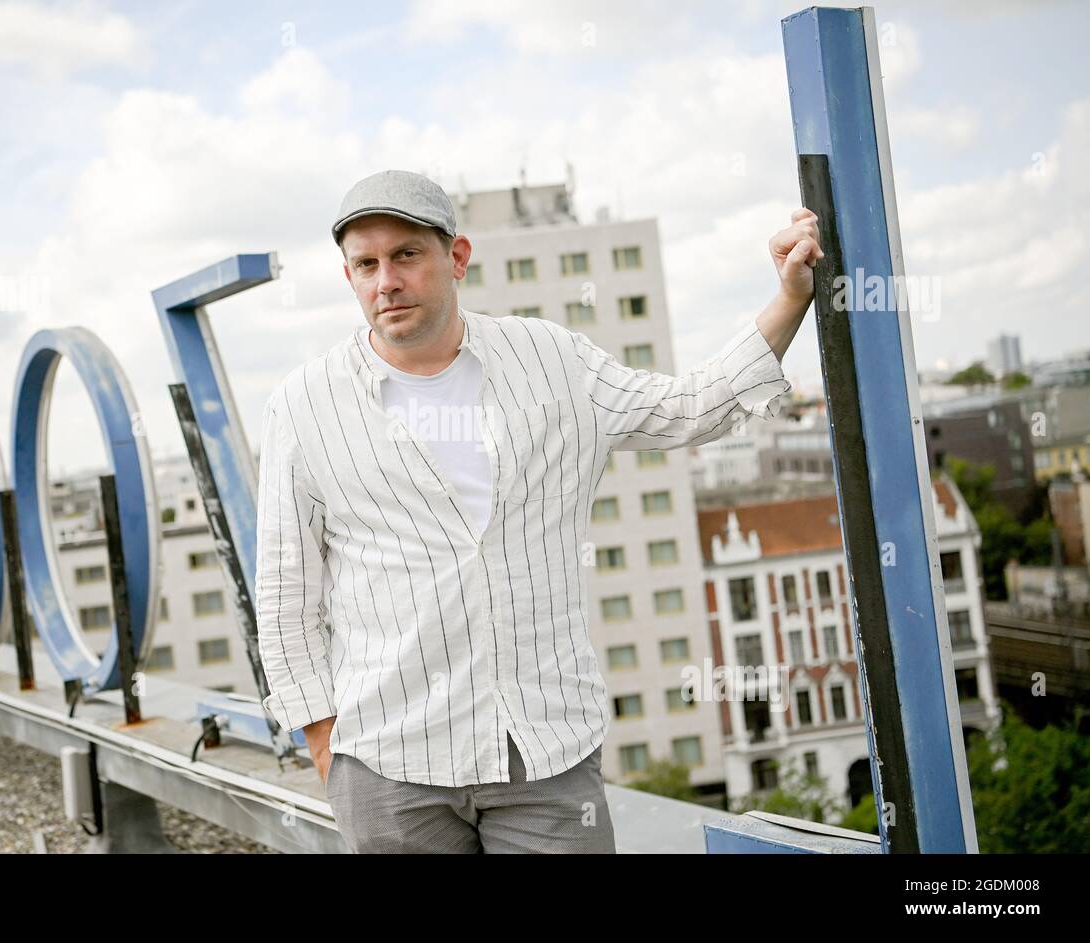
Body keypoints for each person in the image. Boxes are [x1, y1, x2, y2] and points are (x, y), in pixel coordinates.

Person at [255, 169, 822, 853]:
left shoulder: (552, 359)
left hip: (545, 753)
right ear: (349, 276)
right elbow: (286, 591)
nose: (386, 281)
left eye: (406, 255)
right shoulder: (304, 403)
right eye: (366, 264)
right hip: (389, 764)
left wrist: (790, 297)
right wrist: (323, 741)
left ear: (456, 257)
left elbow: (690, 407)